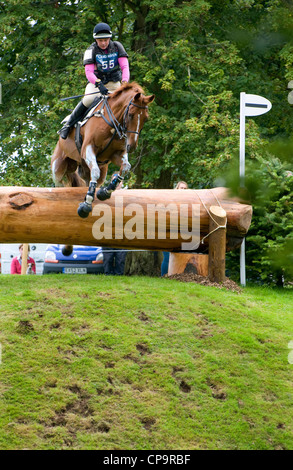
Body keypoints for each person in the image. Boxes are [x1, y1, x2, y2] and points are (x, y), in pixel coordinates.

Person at [58, 22, 130, 139]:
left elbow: (125, 67)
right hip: (96, 83)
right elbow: (89, 72)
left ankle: (127, 131)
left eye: (106, 40)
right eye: (100, 40)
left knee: (126, 102)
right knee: (88, 99)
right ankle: (68, 124)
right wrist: (98, 84)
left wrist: (125, 82)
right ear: (96, 40)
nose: (103, 43)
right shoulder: (90, 50)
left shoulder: (117, 46)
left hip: (114, 83)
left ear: (109, 38)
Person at [161, 181, 189, 276]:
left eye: (185, 189)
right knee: (167, 256)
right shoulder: (170, 199)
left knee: (178, 256)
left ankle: (176, 277)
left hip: (182, 232)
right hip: (168, 231)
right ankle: (164, 276)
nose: (184, 190)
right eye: (182, 188)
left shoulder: (190, 202)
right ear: (177, 189)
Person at [102, 173, 128, 275]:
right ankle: (107, 277)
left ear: (122, 183)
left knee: (120, 258)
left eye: (119, 181)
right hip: (107, 232)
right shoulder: (105, 194)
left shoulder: (127, 196)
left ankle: (119, 277)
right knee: (107, 258)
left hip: (122, 232)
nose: (117, 183)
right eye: (115, 181)